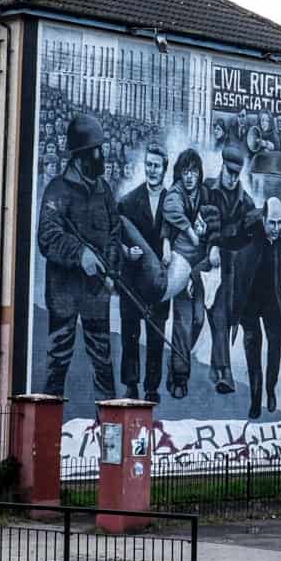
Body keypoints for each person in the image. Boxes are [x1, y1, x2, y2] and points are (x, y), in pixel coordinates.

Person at [37, 113, 121, 400]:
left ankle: (109, 430)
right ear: (84, 154)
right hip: (63, 293)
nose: (103, 155)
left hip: (97, 291)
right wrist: (80, 253)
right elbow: (47, 237)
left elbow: (115, 232)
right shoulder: (57, 190)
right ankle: (47, 432)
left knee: (103, 363)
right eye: (98, 149)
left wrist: (109, 271)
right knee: (58, 361)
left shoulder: (104, 190)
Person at [233, 196, 281, 418]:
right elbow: (229, 242)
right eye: (271, 223)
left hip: (273, 300)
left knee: (275, 346)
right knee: (252, 347)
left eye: (279, 223)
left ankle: (270, 390)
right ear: (263, 219)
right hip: (249, 300)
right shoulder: (249, 229)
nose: (276, 228)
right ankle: (256, 399)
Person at [204, 144, 261, 395]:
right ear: (222, 166)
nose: (233, 177)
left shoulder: (245, 200)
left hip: (227, 267)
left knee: (222, 317)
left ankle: (221, 370)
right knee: (206, 318)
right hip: (202, 261)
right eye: (229, 171)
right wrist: (213, 245)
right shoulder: (206, 189)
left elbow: (251, 234)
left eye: (237, 174)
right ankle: (219, 370)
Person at [161, 147, 217, 399]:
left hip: (200, 267)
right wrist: (191, 232)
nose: (189, 176)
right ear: (179, 174)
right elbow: (170, 211)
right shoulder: (175, 193)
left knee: (197, 321)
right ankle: (180, 377)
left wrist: (208, 232)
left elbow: (216, 221)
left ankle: (176, 365)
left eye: (194, 171)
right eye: (185, 171)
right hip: (181, 262)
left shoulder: (205, 194)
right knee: (183, 323)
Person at [117, 144, 171, 403]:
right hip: (132, 278)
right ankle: (130, 384)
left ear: (164, 169)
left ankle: (151, 386)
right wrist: (127, 251)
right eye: (149, 165)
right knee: (130, 332)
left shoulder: (174, 204)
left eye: (156, 166)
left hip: (160, 281)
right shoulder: (127, 202)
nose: (152, 170)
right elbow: (113, 237)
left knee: (156, 333)